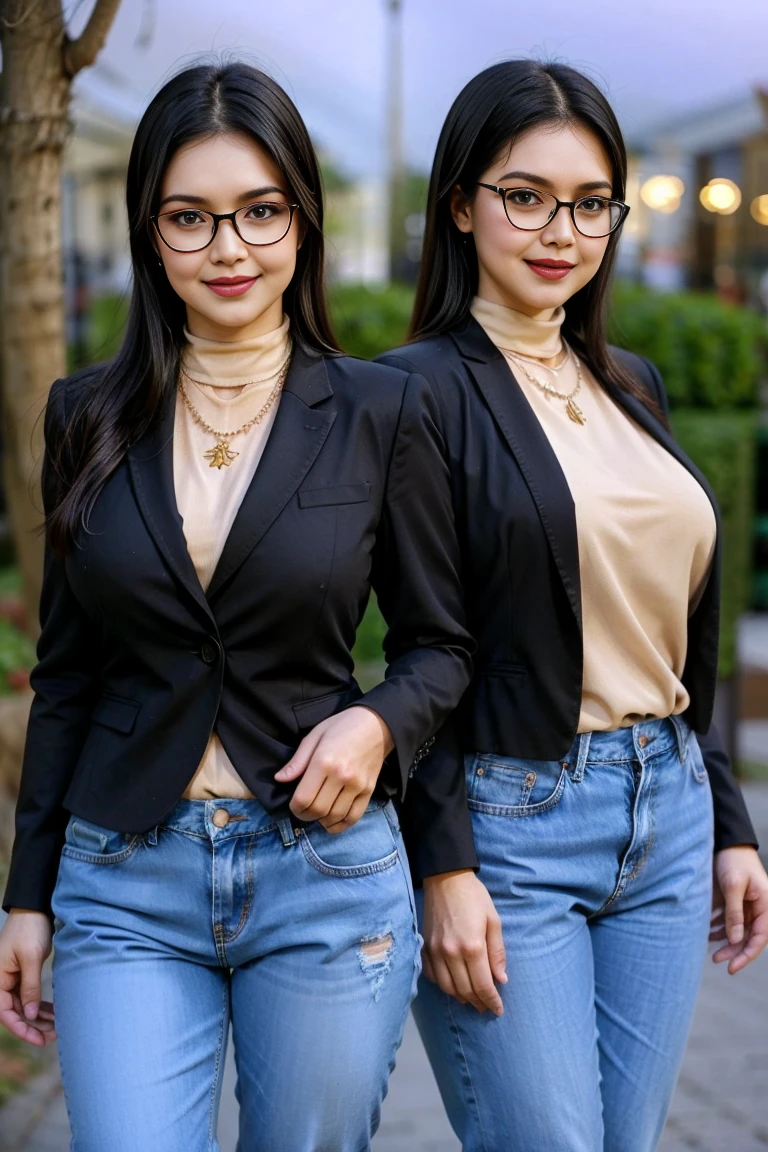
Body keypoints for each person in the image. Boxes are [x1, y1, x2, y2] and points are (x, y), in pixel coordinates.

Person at [0, 62, 473, 1152]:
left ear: (301, 223)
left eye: (260, 211)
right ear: (148, 234)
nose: (229, 248)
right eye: (191, 217)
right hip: (125, 880)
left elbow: (443, 643)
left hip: (321, 877)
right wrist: (27, 897)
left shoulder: (381, 410)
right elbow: (66, 672)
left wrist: (377, 722)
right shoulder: (85, 414)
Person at [378, 60, 768, 1152]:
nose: (562, 230)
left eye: (592, 202)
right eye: (526, 195)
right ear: (460, 205)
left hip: (670, 813)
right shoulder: (409, 394)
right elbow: (420, 646)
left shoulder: (630, 383)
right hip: (510, 829)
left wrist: (731, 826)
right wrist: (443, 863)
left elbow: (684, 624)